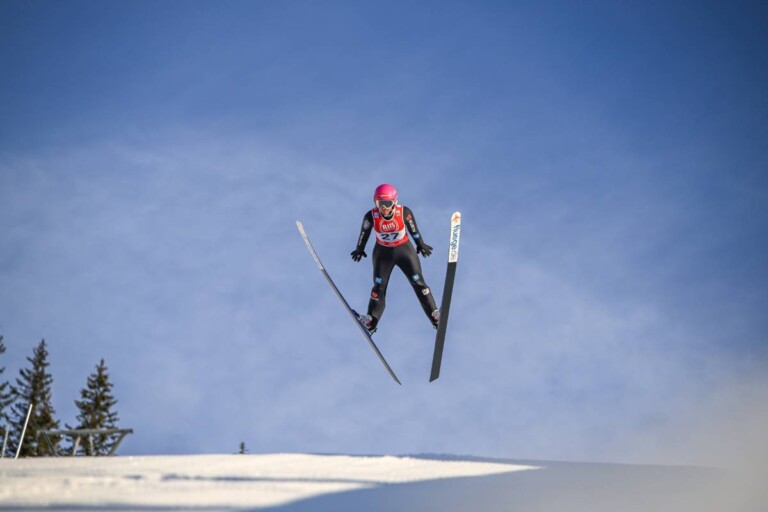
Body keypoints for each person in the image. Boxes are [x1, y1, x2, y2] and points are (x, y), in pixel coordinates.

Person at [350, 184, 440, 333]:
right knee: (378, 288)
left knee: (418, 283)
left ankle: (435, 316)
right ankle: (371, 321)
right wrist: (360, 249)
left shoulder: (404, 212)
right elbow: (364, 233)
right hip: (382, 253)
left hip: (404, 250)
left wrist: (420, 244)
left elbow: (413, 230)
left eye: (387, 204)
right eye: (380, 204)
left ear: (394, 202)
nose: (384, 208)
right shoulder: (371, 216)